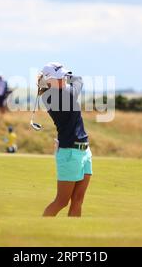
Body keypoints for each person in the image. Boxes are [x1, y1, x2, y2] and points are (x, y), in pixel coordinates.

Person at [37, 62, 92, 218]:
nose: (62, 80)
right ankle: (38, 231)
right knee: (61, 201)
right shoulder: (52, 96)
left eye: (63, 77)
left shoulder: (58, 91)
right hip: (70, 152)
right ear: (49, 80)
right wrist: (70, 76)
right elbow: (79, 80)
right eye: (59, 78)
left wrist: (49, 78)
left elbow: (74, 82)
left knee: (78, 200)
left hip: (84, 150)